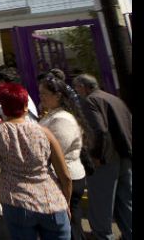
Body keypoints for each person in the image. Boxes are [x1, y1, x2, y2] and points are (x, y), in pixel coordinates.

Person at [0, 83, 72, 240]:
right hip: (52, 201)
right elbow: (65, 176)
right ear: (26, 107)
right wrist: (66, 201)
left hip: (17, 202)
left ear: (3, 108)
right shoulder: (45, 132)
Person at [73, 74, 132, 240]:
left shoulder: (90, 101)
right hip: (123, 157)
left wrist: (96, 155)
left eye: (77, 88)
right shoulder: (114, 99)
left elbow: (99, 130)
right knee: (125, 203)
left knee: (101, 207)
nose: (77, 91)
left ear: (83, 87)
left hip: (106, 160)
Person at [39, 74, 93, 240]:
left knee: (70, 224)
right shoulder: (53, 114)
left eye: (44, 94)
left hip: (66, 177)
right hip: (60, 176)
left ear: (57, 96)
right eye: (40, 93)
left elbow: (55, 152)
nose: (41, 97)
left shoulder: (62, 119)